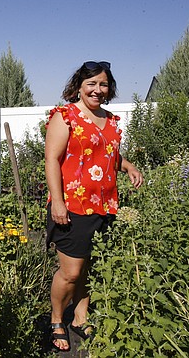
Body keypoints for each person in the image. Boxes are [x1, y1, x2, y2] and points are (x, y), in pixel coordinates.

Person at [45, 60, 143, 352]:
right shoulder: (66, 117)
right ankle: (55, 319)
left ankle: (80, 316)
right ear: (79, 86)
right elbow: (52, 159)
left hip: (104, 205)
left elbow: (107, 154)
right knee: (70, 272)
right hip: (73, 204)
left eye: (103, 84)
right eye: (92, 84)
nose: (98, 90)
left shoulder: (110, 120)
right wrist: (58, 202)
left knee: (88, 264)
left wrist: (127, 166)